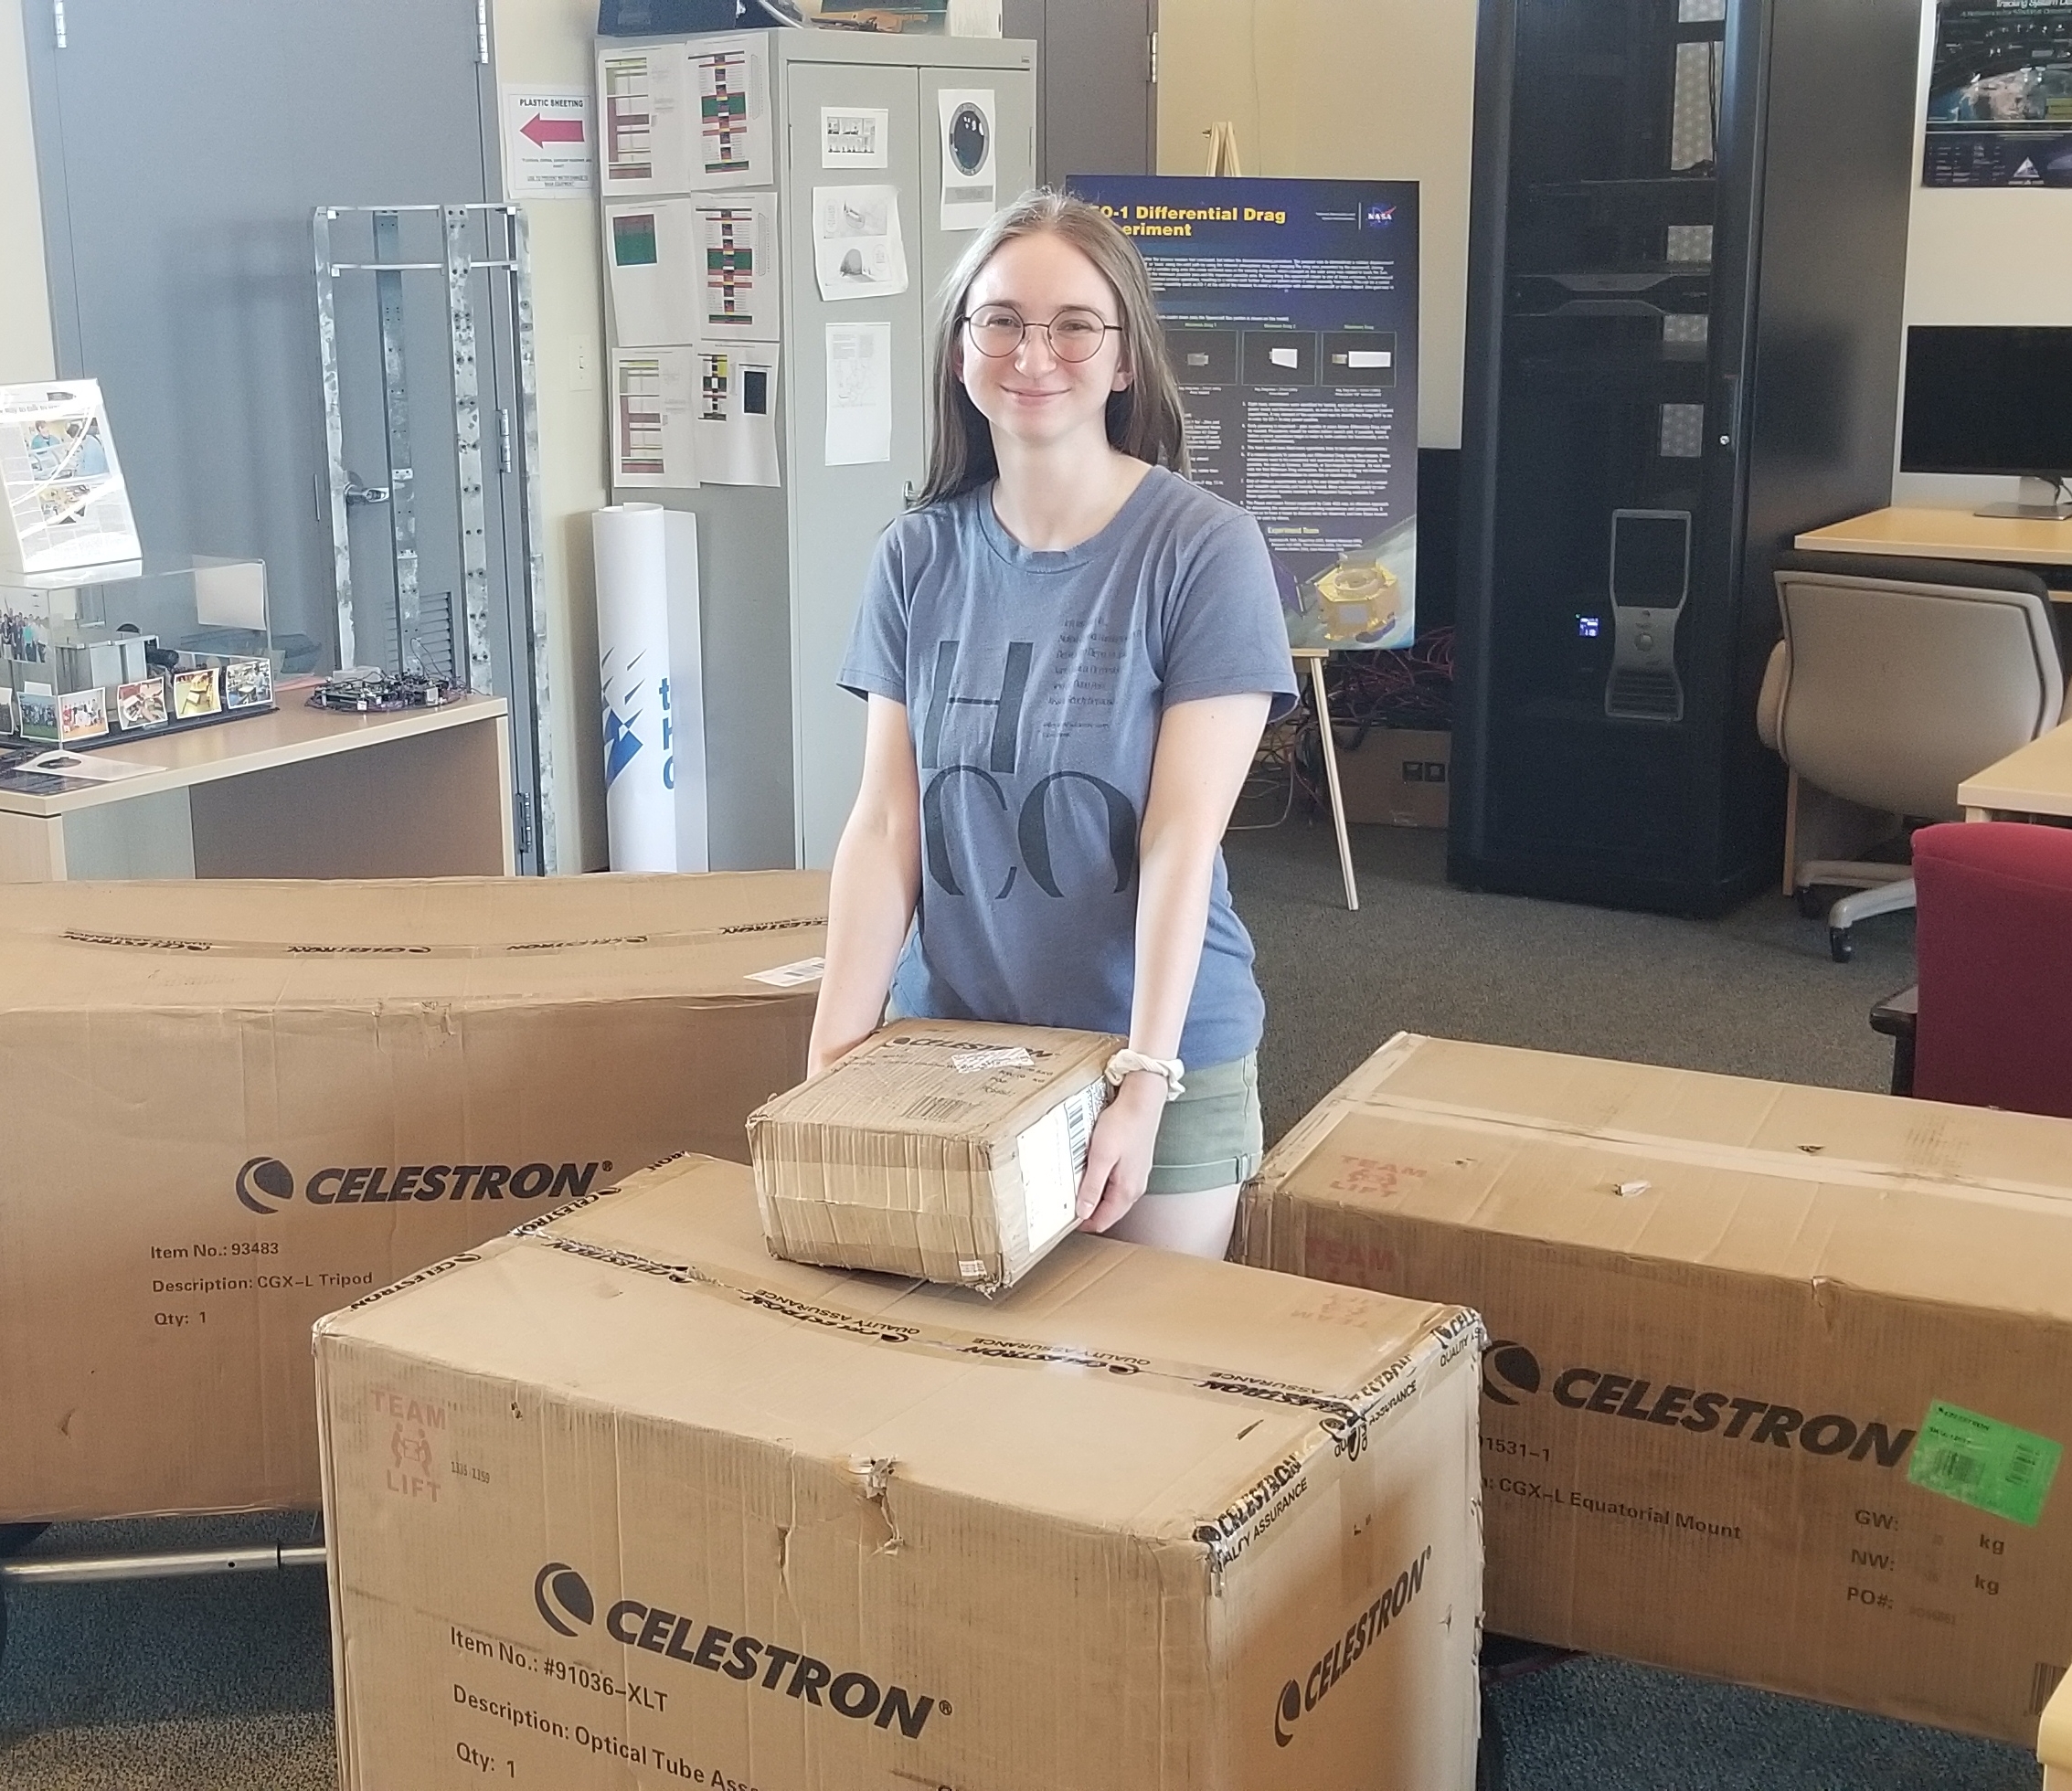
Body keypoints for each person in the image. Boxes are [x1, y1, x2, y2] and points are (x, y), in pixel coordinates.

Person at [811, 190, 1297, 1259]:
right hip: (954, 1051)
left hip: (1154, 1048)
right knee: (950, 1386)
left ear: (1124, 360)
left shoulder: (1204, 549)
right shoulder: (914, 557)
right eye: (1000, 320)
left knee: (1136, 1394)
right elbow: (888, 826)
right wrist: (835, 1054)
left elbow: (1180, 836)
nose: (1034, 352)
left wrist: (1143, 1078)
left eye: (1074, 324)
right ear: (958, 349)